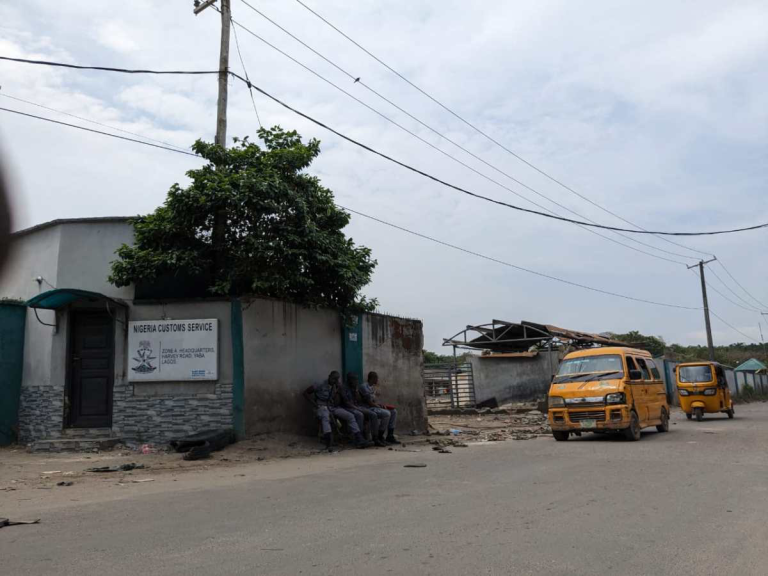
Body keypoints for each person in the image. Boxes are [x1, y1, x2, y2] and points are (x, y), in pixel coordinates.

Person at [303, 371, 368, 451]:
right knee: (325, 417)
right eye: (333, 378)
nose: (334, 381)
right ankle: (328, 441)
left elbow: (336, 402)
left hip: (332, 407)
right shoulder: (319, 384)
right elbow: (305, 393)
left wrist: (338, 390)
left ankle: (359, 438)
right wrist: (315, 405)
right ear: (329, 376)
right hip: (322, 406)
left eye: (337, 379)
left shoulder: (336, 386)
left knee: (350, 416)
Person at [340, 372, 387, 447]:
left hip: (357, 406)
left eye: (356, 380)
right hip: (348, 407)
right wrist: (357, 408)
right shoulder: (343, 388)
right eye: (354, 380)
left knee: (373, 415)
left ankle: (375, 438)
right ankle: (359, 439)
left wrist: (356, 390)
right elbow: (346, 402)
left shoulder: (355, 387)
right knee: (360, 415)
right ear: (349, 380)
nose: (356, 382)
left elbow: (358, 400)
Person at [359, 371, 398, 444]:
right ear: (372, 378)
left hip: (373, 406)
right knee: (386, 413)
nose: (377, 380)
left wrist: (381, 405)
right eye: (376, 378)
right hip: (366, 408)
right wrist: (380, 407)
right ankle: (379, 436)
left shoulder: (373, 388)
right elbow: (369, 402)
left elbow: (373, 401)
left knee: (394, 411)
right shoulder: (364, 387)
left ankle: (390, 435)